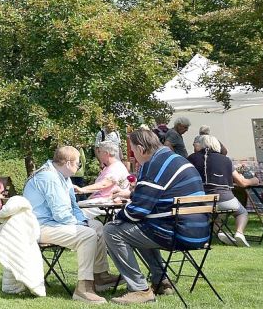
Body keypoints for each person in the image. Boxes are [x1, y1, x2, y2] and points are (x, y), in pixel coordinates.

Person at [102, 128, 210, 304]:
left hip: (178, 233)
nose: (133, 155)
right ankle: (161, 281)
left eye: (133, 151)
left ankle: (140, 289)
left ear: (141, 149)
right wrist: (129, 195)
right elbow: (158, 193)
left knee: (112, 230)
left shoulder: (155, 165)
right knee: (139, 227)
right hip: (198, 232)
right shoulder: (173, 159)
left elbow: (137, 211)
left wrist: (117, 215)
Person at [23, 146, 117, 303]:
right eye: (78, 164)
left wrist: (84, 222)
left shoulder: (63, 177)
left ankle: (100, 276)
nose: (79, 167)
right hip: (40, 227)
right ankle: (83, 289)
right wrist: (83, 226)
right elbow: (61, 214)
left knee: (97, 227)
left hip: (54, 223)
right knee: (88, 234)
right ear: (68, 163)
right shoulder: (49, 178)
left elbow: (74, 208)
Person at [188, 134, 251, 247]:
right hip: (225, 199)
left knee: (215, 211)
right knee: (242, 212)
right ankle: (239, 233)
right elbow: (242, 182)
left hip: (201, 200)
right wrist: (254, 180)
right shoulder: (226, 160)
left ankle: (213, 233)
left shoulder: (192, 158)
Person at [75, 140, 129, 220]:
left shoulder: (116, 168)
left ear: (106, 153)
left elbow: (104, 184)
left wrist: (82, 189)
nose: (98, 154)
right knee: (76, 207)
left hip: (109, 202)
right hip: (102, 202)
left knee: (76, 213)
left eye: (99, 151)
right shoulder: (109, 167)